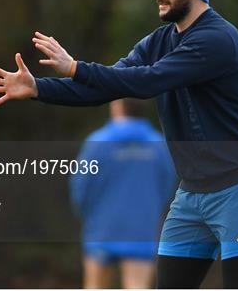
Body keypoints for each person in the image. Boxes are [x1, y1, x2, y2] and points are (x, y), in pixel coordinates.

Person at [0, 0, 238, 289]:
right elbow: (108, 85)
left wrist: (75, 67)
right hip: (192, 194)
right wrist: (39, 88)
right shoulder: (159, 41)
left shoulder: (217, 40)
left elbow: (147, 81)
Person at [70, 98, 177, 288]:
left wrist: (86, 215)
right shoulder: (159, 145)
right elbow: (168, 186)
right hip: (142, 229)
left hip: (102, 229)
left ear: (116, 105)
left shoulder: (97, 142)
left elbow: (81, 187)